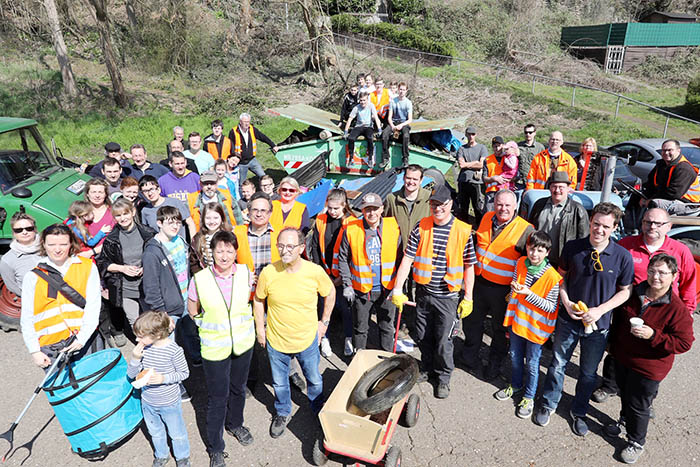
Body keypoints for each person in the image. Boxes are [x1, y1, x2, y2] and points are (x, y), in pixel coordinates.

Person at [534, 203, 634, 437]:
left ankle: (578, 411)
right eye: (596, 223)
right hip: (568, 320)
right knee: (557, 364)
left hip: (598, 326)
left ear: (614, 228)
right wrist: (566, 303)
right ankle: (549, 404)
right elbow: (560, 278)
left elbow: (625, 291)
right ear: (590, 221)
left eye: (606, 226)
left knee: (588, 373)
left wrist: (600, 310)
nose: (599, 229)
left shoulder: (622, 256)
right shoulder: (573, 247)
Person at [592, 207, 696, 403]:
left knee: (652, 355)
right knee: (617, 349)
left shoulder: (680, 251)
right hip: (628, 309)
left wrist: (687, 312)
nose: (652, 227)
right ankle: (609, 385)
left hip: (660, 313)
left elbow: (689, 282)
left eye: (658, 223)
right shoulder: (626, 245)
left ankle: (644, 398)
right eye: (648, 222)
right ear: (641, 223)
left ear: (669, 226)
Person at [604, 254, 694, 464]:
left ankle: (636, 442)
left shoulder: (676, 309)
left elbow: (684, 343)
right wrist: (611, 344)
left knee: (639, 404)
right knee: (625, 395)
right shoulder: (635, 292)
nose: (656, 276)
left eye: (663, 273)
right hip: (624, 357)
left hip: (649, 368)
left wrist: (653, 335)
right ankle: (625, 421)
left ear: (674, 276)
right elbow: (617, 320)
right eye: (652, 270)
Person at [391, 184, 476, 399]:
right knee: (422, 335)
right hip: (424, 293)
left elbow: (469, 266)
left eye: (442, 204)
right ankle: (428, 368)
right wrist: (398, 288)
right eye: (433, 204)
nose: (437, 208)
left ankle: (443, 377)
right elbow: (408, 258)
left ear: (451, 205)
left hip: (447, 298)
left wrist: (468, 297)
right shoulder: (422, 227)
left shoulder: (463, 231)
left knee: (443, 341)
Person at [253, 227, 335, 438]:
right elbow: (258, 300)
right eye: (280, 245)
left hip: (307, 339)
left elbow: (330, 292)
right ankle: (282, 411)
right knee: (280, 383)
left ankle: (317, 409)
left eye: (290, 246)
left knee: (314, 379)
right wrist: (260, 330)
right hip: (276, 341)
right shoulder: (269, 272)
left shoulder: (314, 271)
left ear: (301, 248)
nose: (284, 250)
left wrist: (323, 323)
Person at [188, 231, 256, 467]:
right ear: (211, 253)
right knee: (218, 398)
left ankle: (235, 424)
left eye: (229, 250)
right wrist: (204, 326)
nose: (224, 255)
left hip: (243, 344)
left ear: (236, 252)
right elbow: (193, 308)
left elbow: (252, 301)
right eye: (219, 250)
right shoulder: (200, 279)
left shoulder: (246, 273)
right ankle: (216, 447)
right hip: (214, 349)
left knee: (238, 389)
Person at [462, 189, 534, 381]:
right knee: (471, 322)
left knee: (500, 330)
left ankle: (495, 364)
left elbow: (529, 263)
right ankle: (468, 357)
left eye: (507, 205)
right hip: (479, 282)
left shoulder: (526, 230)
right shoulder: (486, 218)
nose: (502, 209)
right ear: (493, 204)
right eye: (499, 204)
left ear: (515, 206)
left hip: (503, 290)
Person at [495, 231, 561, 419]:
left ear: (547, 252)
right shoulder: (520, 263)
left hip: (536, 329)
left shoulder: (553, 277)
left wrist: (527, 294)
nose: (535, 254)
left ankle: (529, 397)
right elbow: (515, 285)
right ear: (527, 248)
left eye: (540, 250)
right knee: (515, 357)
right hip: (518, 322)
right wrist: (514, 288)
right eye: (532, 249)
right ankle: (515, 385)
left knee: (532, 364)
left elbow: (549, 306)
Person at [20, 224, 101, 367]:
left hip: (83, 341)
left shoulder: (87, 266)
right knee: (60, 388)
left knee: (92, 387)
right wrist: (34, 351)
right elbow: (27, 317)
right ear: (43, 244)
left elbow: (93, 305)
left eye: (63, 244)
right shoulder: (32, 276)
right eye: (51, 244)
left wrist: (81, 339)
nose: (57, 249)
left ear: (71, 244)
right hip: (50, 347)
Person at [337, 193, 401, 353]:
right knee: (360, 328)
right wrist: (347, 284)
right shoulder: (351, 230)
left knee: (387, 327)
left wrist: (399, 286)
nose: (371, 213)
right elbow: (343, 259)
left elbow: (401, 259)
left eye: (375, 209)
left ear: (382, 209)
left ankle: (387, 361)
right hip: (362, 291)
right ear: (363, 211)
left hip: (387, 289)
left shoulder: (393, 228)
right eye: (367, 210)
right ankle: (360, 360)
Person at [127, 311, 191, 467]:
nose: (137, 339)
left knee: (177, 433)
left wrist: (164, 378)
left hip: (169, 401)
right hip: (148, 401)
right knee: (155, 432)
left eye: (141, 336)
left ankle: (182, 456)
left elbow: (184, 373)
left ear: (156, 335)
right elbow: (131, 375)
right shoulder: (143, 350)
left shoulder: (174, 350)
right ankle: (161, 454)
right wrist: (135, 359)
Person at [310, 189, 356, 356]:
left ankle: (349, 338)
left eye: (336, 208)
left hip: (343, 276)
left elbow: (354, 254)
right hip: (325, 274)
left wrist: (341, 278)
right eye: (329, 208)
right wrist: (321, 273)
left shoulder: (352, 223)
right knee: (323, 308)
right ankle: (324, 338)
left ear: (344, 206)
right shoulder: (321, 219)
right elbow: (315, 246)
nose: (332, 211)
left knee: (346, 309)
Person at [98, 198, 156, 331]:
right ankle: (143, 348)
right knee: (135, 321)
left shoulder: (148, 233)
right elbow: (103, 264)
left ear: (133, 212)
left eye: (125, 213)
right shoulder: (112, 239)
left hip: (147, 284)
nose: (123, 218)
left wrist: (145, 267)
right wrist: (122, 268)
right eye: (118, 215)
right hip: (125, 287)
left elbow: (157, 256)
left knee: (151, 319)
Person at [527, 171, 589, 267]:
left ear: (568, 189)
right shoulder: (539, 204)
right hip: (537, 260)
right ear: (550, 188)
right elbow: (529, 229)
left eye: (561, 187)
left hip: (561, 262)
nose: (557, 190)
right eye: (554, 186)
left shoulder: (578, 210)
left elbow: (583, 240)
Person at [640, 139, 700, 216]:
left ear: (678, 151)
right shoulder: (661, 164)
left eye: (670, 150)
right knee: (636, 197)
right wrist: (645, 196)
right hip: (670, 199)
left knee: (654, 203)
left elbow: (674, 193)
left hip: (687, 204)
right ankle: (628, 224)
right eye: (664, 150)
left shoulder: (684, 168)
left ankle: (649, 226)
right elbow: (651, 183)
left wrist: (650, 199)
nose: (666, 153)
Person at [140, 175, 196, 240]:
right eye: (145, 191)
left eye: (152, 189)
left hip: (179, 246)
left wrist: (193, 244)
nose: (150, 193)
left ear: (158, 189)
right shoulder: (145, 211)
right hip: (160, 247)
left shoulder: (175, 203)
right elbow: (147, 233)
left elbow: (190, 223)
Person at [0, 213, 42, 298]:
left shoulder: (49, 247)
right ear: (14, 233)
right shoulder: (7, 260)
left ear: (35, 229)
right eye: (19, 230)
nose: (24, 232)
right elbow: (12, 286)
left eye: (29, 228)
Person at [228, 113, 279, 184]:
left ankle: (265, 190)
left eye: (248, 122)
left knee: (263, 177)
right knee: (241, 183)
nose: (247, 124)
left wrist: (273, 145)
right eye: (245, 122)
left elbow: (263, 137)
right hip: (241, 163)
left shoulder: (252, 129)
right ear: (240, 122)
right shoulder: (233, 132)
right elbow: (230, 146)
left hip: (252, 160)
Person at [456, 126, 488, 226]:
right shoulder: (462, 149)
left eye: (473, 134)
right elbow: (461, 164)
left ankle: (479, 228)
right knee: (463, 207)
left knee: (478, 207)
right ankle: (463, 229)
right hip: (463, 181)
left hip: (476, 182)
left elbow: (482, 164)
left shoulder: (482, 148)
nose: (471, 136)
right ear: (466, 135)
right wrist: (475, 162)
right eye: (469, 134)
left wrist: (467, 164)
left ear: (476, 135)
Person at [190, 203, 232, 275]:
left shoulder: (229, 236)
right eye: (208, 218)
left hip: (228, 276)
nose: (212, 221)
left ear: (222, 218)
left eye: (216, 218)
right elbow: (194, 262)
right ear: (203, 219)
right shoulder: (198, 238)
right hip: (207, 277)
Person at [344, 91, 383, 167]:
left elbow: (376, 117)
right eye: (361, 100)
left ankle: (370, 158)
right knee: (351, 138)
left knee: (370, 138)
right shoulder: (356, 108)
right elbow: (350, 119)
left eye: (364, 100)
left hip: (368, 126)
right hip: (358, 126)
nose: (362, 102)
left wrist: (379, 130)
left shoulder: (371, 106)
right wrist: (345, 131)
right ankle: (351, 158)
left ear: (367, 100)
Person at [381, 82, 412, 167]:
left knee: (406, 136)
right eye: (400, 89)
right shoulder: (393, 101)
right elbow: (389, 117)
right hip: (394, 122)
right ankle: (385, 157)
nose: (401, 91)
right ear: (398, 90)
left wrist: (401, 125)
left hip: (404, 123)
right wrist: (392, 126)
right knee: (384, 135)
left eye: (403, 90)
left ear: (406, 91)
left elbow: (410, 119)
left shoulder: (408, 103)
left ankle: (405, 158)